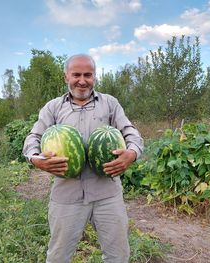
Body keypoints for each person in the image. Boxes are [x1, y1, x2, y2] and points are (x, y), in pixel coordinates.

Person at [23, 54, 144, 263]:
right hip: (66, 193)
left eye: (87, 75)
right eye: (76, 74)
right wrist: (35, 159)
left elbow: (130, 132)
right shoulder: (53, 107)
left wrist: (132, 153)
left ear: (94, 76)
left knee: (118, 255)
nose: (82, 80)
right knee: (58, 256)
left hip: (107, 192)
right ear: (66, 77)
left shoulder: (110, 103)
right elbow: (34, 137)